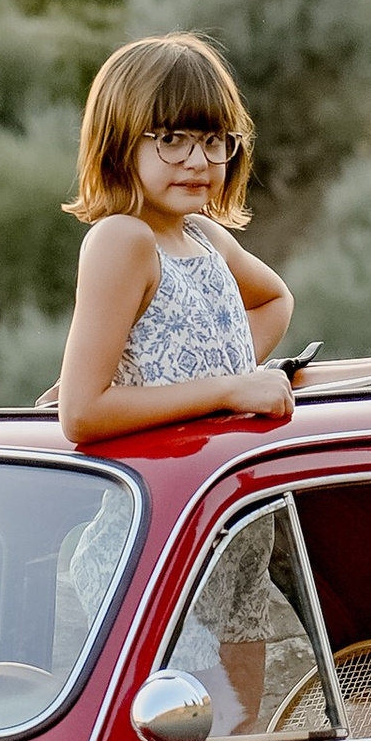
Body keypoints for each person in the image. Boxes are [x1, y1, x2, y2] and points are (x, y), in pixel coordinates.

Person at [55, 31, 297, 447]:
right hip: (160, 497)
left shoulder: (204, 237)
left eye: (213, 140)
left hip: (213, 483)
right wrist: (227, 390)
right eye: (171, 140)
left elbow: (275, 301)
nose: (198, 160)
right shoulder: (123, 239)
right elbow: (80, 414)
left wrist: (217, 379)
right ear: (119, 144)